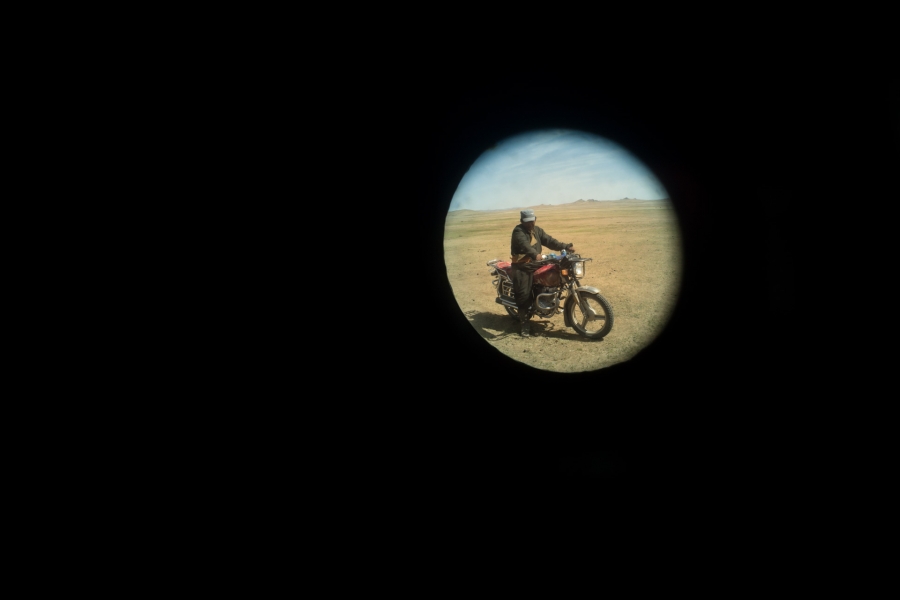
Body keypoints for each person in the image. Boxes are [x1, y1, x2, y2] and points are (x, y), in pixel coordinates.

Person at [509, 209, 574, 337]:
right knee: (523, 294)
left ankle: (547, 298)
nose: (530, 224)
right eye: (527, 221)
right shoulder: (518, 231)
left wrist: (565, 246)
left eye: (532, 221)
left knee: (553, 272)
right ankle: (524, 323)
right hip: (522, 266)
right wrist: (535, 254)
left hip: (535, 263)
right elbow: (524, 245)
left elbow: (549, 241)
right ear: (522, 221)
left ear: (535, 219)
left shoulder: (537, 230)